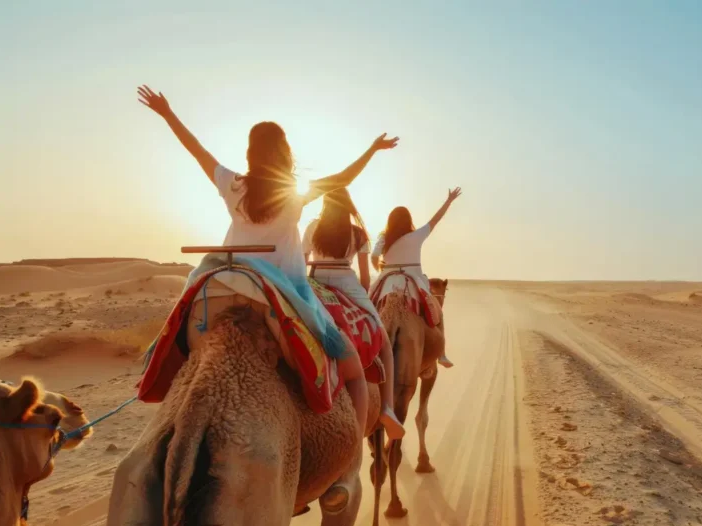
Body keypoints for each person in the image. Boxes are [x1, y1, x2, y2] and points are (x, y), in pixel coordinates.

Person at [136, 85, 397, 437]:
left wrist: (167, 113)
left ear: (250, 153)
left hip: (218, 286)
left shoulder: (233, 184)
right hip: (279, 293)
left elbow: (197, 150)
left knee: (178, 351)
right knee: (350, 365)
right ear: (285, 153)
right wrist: (372, 150)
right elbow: (344, 179)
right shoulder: (294, 193)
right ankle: (349, 461)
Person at [302, 189, 404, 439]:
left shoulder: (312, 227)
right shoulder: (358, 233)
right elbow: (367, 279)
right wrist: (359, 302)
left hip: (314, 283)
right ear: (348, 205)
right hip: (348, 283)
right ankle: (388, 408)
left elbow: (300, 264)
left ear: (325, 204)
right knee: (384, 344)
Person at [371, 188, 463, 368]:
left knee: (368, 305)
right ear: (409, 221)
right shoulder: (416, 235)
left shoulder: (384, 237)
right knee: (437, 311)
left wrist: (381, 268)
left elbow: (374, 258)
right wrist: (449, 201)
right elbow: (435, 220)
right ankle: (441, 354)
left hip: (387, 279)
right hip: (413, 279)